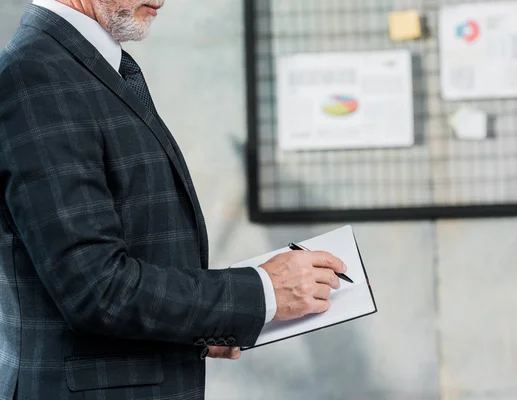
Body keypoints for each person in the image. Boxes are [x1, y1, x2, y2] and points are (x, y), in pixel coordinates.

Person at [0, 1, 347, 399]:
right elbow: (96, 288)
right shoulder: (38, 76)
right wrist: (263, 291)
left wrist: (207, 322)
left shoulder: (85, 65)